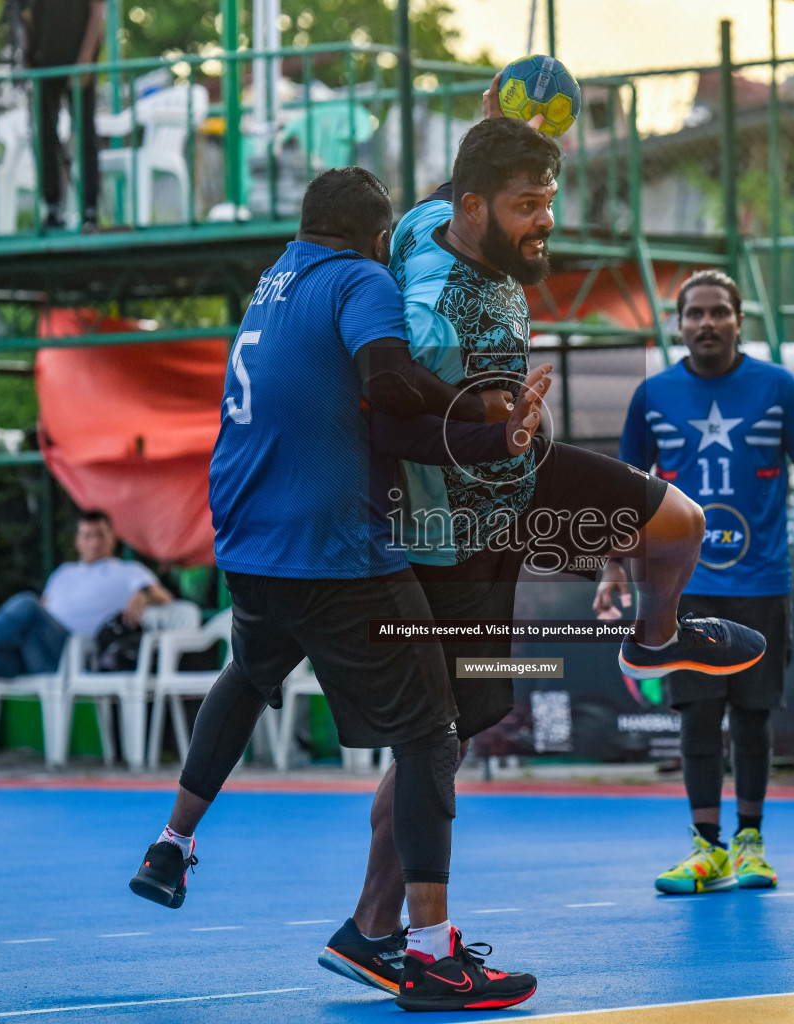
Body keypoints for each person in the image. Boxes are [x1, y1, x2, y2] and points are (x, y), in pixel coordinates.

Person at [319, 103, 764, 995]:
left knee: (679, 524)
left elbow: (448, 185)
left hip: (522, 484)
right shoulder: (433, 310)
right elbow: (391, 419)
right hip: (456, 536)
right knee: (437, 743)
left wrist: (492, 121)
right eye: (530, 203)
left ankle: (656, 636)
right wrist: (492, 422)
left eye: (549, 198)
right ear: (480, 209)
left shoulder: (427, 220)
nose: (547, 219)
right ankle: (384, 936)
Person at [127, 166, 554, 1011]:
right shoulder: (361, 278)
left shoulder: (273, 281)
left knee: (249, 675)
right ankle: (430, 955)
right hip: (331, 548)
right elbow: (389, 385)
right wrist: (489, 423)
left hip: (249, 541)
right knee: (433, 733)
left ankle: (171, 842)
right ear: (373, 239)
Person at [605, 269, 794, 894]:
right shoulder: (651, 396)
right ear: (678, 324)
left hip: (761, 582)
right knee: (697, 713)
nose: (706, 323)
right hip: (679, 586)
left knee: (754, 714)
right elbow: (623, 491)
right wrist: (610, 568)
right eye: (694, 314)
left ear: (739, 320)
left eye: (719, 312)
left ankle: (750, 844)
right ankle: (705, 849)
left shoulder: (779, 388)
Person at [0, 509, 172, 773]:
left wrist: (145, 594)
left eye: (100, 535)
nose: (94, 542)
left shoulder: (128, 571)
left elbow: (165, 598)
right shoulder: (63, 573)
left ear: (112, 538)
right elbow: (45, 608)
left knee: (26, 604)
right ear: (77, 541)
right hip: (29, 651)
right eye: (87, 535)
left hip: (68, 653)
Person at [25, 0, 105, 230]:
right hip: (44, 65)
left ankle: (90, 208)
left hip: (79, 62)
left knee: (85, 134)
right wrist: (28, 55)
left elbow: (97, 10)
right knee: (46, 136)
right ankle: (52, 207)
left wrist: (85, 59)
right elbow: (27, 15)